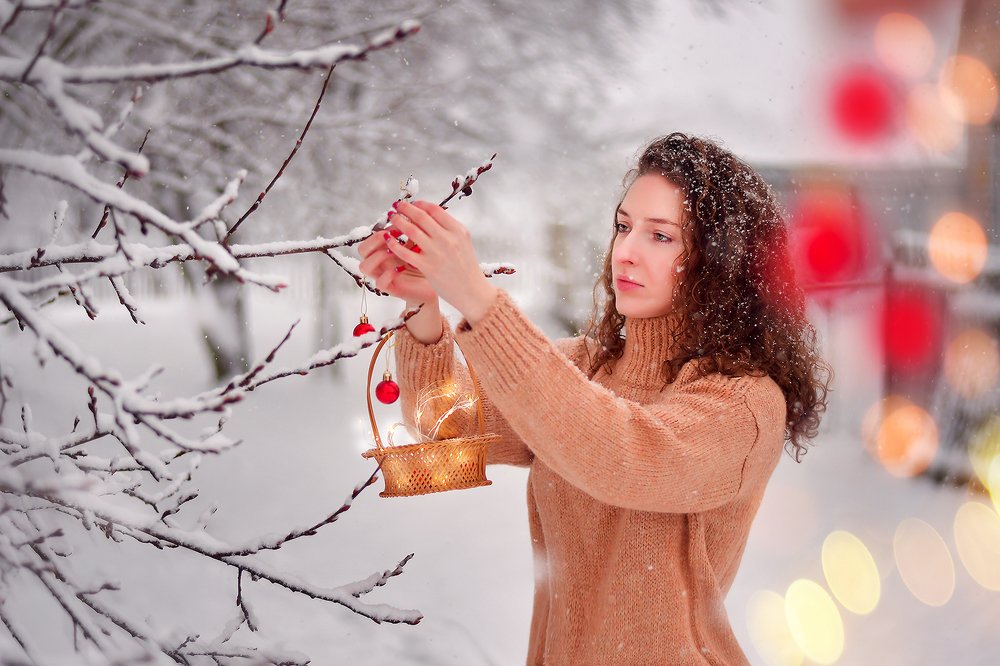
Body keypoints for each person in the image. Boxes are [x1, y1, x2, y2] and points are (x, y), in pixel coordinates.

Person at [356, 132, 832, 665]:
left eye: (661, 236)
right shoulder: (588, 368)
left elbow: (624, 455)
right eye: (624, 227)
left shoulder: (744, 405)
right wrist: (422, 303)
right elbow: (447, 423)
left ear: (723, 263)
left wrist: (478, 297)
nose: (625, 252)